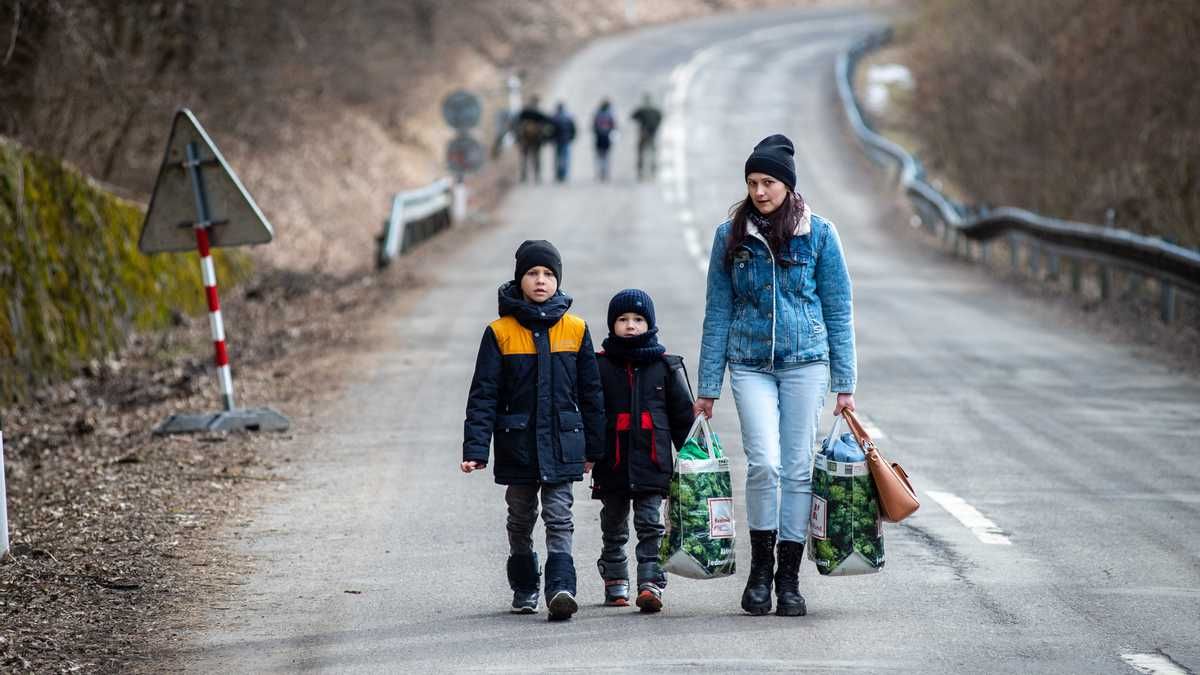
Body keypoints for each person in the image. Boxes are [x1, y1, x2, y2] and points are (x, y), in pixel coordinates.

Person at [694, 134, 857, 618]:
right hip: (749, 364)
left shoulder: (819, 234)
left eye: (768, 182)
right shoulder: (730, 236)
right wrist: (707, 387)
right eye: (752, 182)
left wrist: (845, 384)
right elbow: (717, 311)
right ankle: (759, 572)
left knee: (798, 468)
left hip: (806, 362)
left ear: (787, 185)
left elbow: (838, 309)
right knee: (764, 463)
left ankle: (789, 579)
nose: (759, 191)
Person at [462, 240, 605, 620]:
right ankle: (525, 586)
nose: (540, 280)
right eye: (532, 273)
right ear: (519, 279)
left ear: (558, 280)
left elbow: (591, 393)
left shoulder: (576, 329)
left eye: (548, 274)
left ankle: (561, 588)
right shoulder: (500, 332)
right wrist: (475, 449)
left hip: (562, 443)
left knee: (559, 516)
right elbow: (484, 394)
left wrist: (595, 448)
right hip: (518, 445)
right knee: (520, 517)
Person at [590, 289, 694, 613]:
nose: (631, 325)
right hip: (612, 464)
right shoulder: (599, 365)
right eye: (623, 319)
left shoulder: (665, 367)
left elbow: (683, 419)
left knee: (651, 525)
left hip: (653, 464)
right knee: (613, 525)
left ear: (650, 324)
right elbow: (589, 414)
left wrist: (693, 457)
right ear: (612, 324)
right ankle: (615, 579)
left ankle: (651, 583)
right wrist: (587, 453)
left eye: (638, 319)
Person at [515, 96, 553, 183]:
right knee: (536, 158)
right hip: (536, 140)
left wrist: (518, 138)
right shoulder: (539, 113)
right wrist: (546, 138)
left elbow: (517, 124)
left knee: (524, 158)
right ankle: (537, 176)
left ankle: (524, 176)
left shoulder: (524, 112)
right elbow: (548, 122)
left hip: (525, 140)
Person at [630, 94, 663, 181]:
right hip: (652, 135)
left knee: (641, 153)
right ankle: (653, 171)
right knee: (652, 153)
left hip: (643, 134)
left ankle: (640, 172)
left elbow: (632, 116)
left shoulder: (641, 110)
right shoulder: (655, 110)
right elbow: (661, 117)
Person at [550, 102, 577, 183]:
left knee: (558, 158)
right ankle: (564, 174)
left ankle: (558, 174)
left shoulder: (554, 118)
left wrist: (551, 139)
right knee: (565, 158)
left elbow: (551, 130)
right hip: (566, 140)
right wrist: (571, 138)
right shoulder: (568, 118)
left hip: (558, 141)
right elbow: (573, 129)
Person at [592, 99, 617, 182]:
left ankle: (601, 173)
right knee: (606, 157)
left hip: (599, 138)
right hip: (606, 138)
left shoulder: (598, 115)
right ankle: (605, 173)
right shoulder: (610, 115)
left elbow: (593, 127)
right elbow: (614, 127)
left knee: (599, 157)